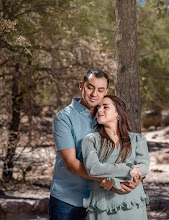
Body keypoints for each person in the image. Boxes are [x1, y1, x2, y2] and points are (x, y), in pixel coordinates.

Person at [49, 69, 141, 220]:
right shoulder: (64, 118)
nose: (94, 94)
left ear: (106, 91)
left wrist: (135, 176)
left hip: (101, 198)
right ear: (81, 86)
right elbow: (71, 163)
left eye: (100, 90)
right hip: (68, 199)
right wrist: (107, 180)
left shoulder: (108, 116)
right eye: (90, 87)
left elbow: (124, 152)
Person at [82, 95, 150, 219]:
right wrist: (128, 170)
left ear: (118, 112)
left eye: (105, 107)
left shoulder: (137, 139)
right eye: (98, 108)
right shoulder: (90, 140)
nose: (99, 110)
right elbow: (93, 169)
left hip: (133, 204)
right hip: (104, 206)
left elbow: (144, 167)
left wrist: (115, 181)